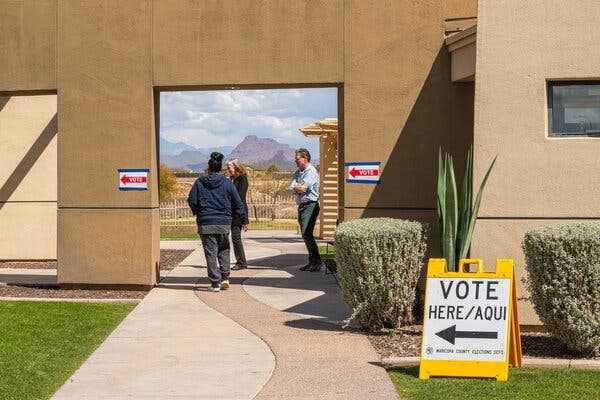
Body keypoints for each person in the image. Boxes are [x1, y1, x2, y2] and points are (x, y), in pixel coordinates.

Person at [188, 152, 248, 292]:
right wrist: (243, 219)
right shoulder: (227, 183)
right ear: (221, 168)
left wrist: (199, 212)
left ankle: (215, 283)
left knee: (210, 253)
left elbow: (191, 200)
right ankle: (225, 277)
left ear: (209, 167)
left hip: (206, 222)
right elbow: (238, 203)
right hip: (223, 222)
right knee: (224, 250)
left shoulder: (199, 182)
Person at [289, 148, 323, 272]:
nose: (295, 161)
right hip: (302, 205)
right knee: (306, 235)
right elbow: (291, 187)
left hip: (311, 205)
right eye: (295, 159)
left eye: (297, 159)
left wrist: (298, 187)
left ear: (305, 158)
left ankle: (317, 261)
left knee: (306, 233)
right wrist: (297, 187)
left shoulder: (311, 171)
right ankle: (312, 261)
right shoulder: (298, 172)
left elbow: (303, 188)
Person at [226, 159, 249, 270]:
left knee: (236, 237)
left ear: (235, 167)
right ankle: (239, 261)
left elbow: (240, 197)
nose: (228, 169)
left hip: (238, 212)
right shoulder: (231, 179)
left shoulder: (242, 179)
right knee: (232, 237)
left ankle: (241, 262)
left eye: (229, 167)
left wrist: (245, 219)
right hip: (230, 212)